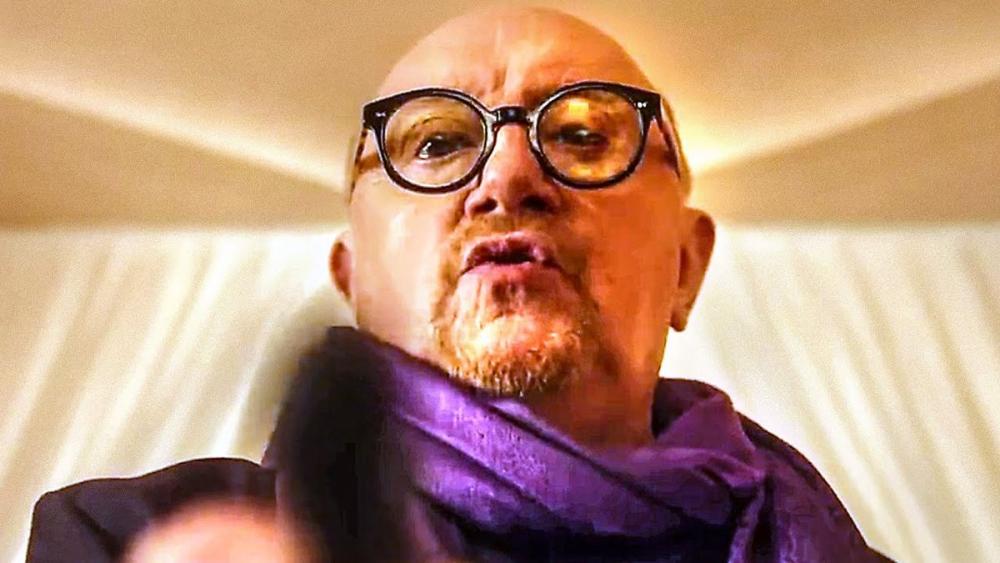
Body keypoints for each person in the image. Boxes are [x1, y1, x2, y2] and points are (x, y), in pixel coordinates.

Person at [26, 7, 892, 562]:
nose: (508, 175)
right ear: (352, 280)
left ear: (686, 266)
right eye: (438, 143)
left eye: (584, 134)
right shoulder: (118, 538)